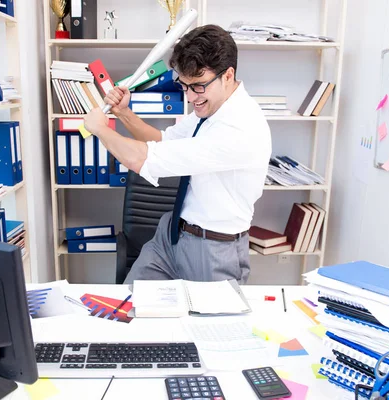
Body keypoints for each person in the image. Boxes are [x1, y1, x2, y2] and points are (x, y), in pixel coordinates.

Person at [83, 24, 271, 284]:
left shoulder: (240, 127)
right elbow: (163, 140)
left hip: (213, 248)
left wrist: (100, 130)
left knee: (209, 325)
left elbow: (146, 159)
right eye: (185, 85)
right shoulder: (210, 109)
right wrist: (124, 113)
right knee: (129, 307)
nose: (191, 97)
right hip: (170, 235)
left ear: (228, 75)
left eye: (199, 86)